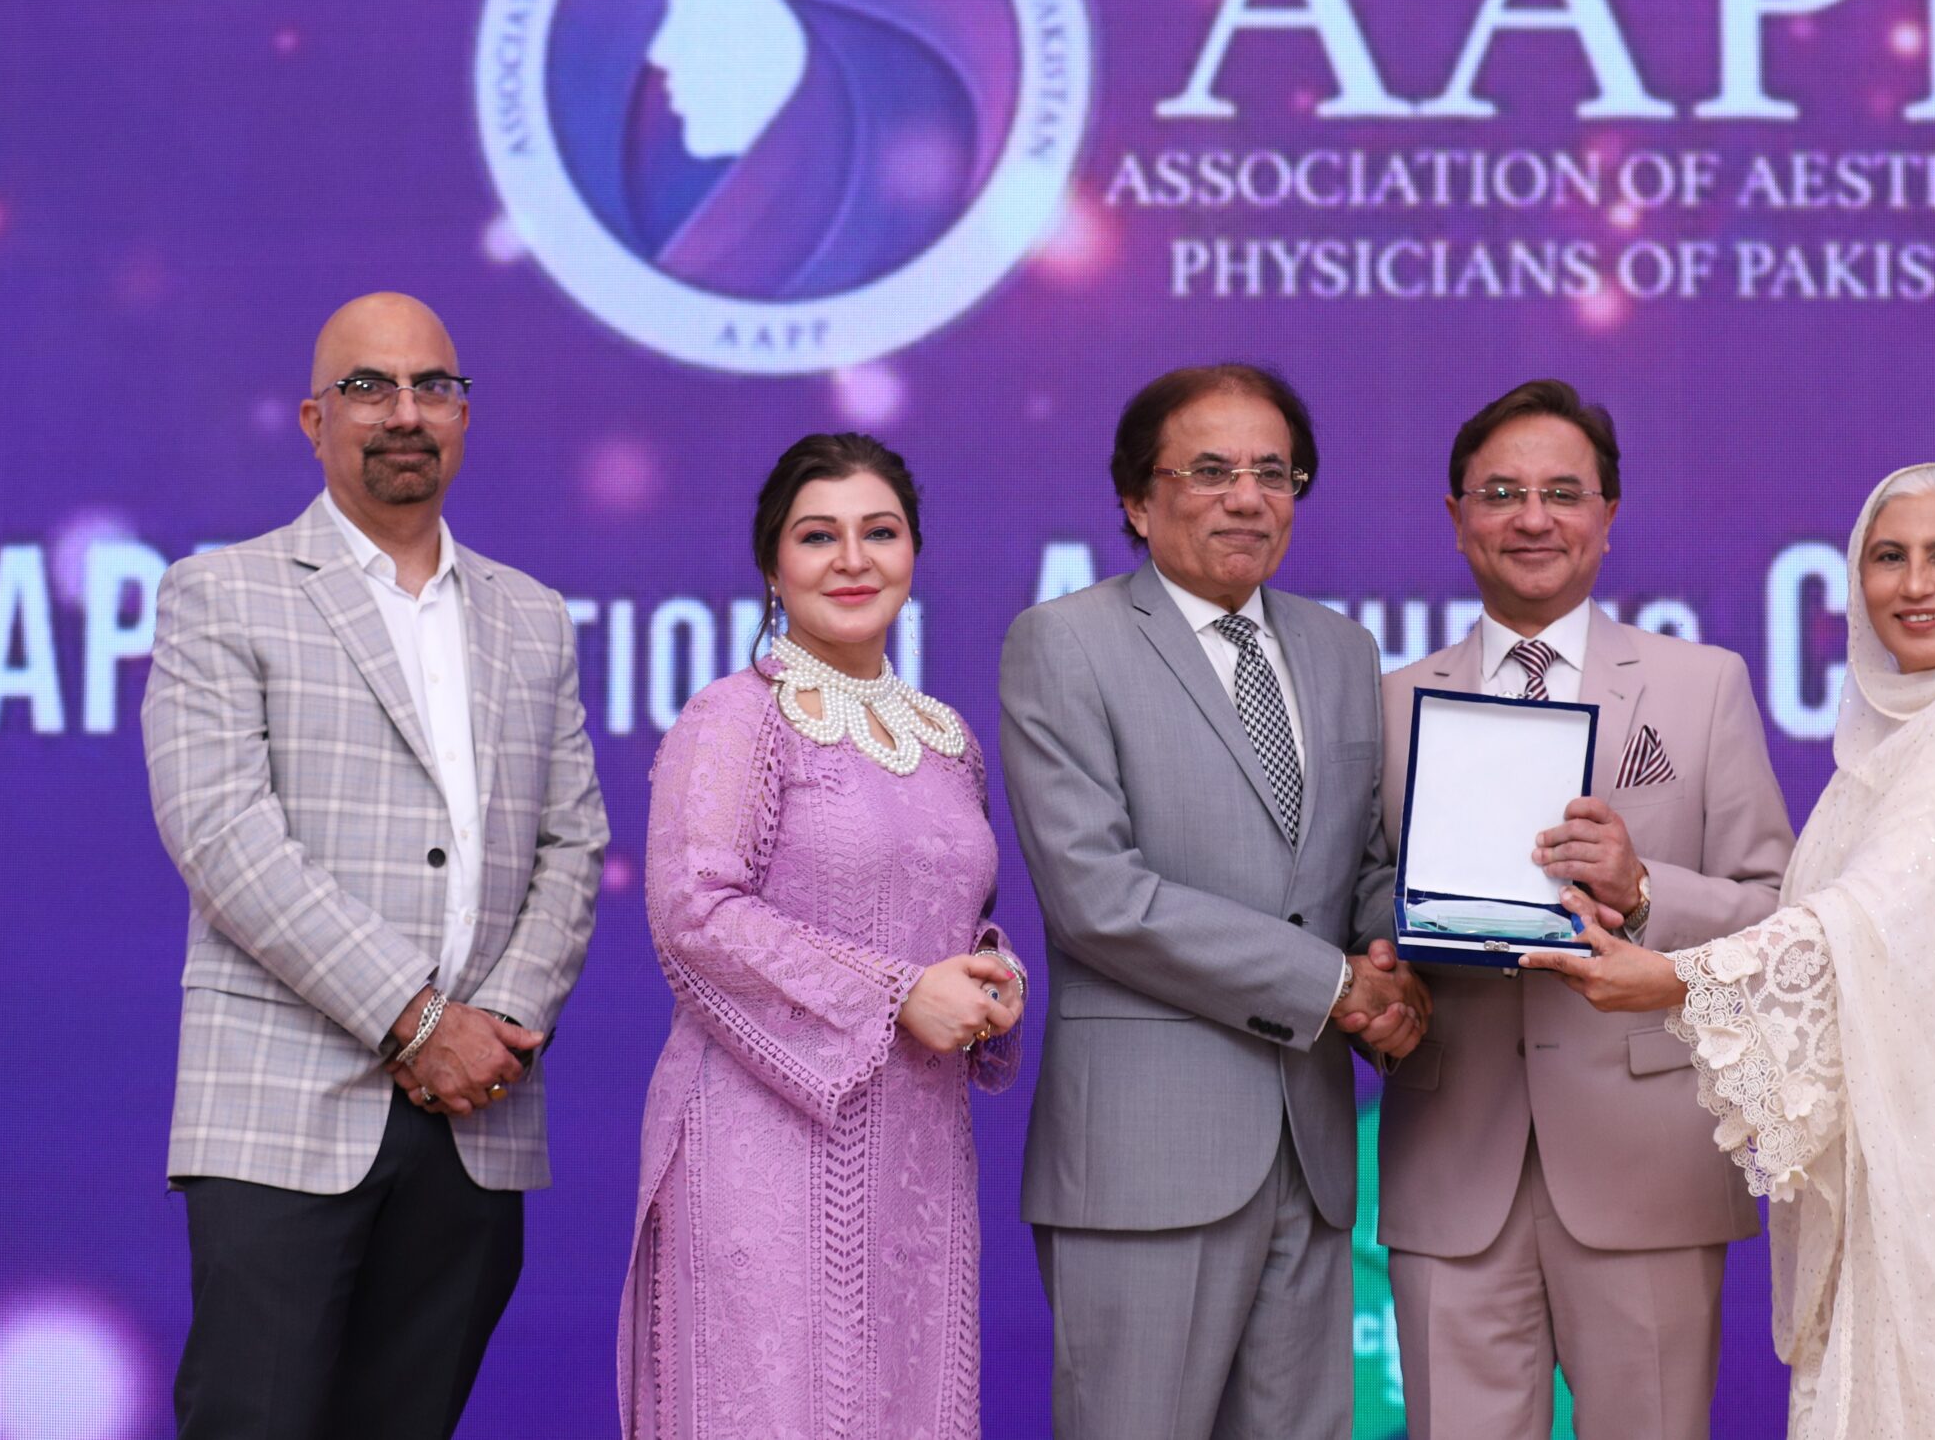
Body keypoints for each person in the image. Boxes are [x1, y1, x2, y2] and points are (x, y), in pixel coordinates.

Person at [1526, 464, 1935, 1439]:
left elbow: (1862, 924)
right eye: (1887, 557)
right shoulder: (1903, 740)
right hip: (1909, 1171)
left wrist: (1674, 981)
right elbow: (1862, 934)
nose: (1915, 584)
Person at [142, 291, 608, 1440]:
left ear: (463, 416)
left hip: (476, 1117)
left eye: (431, 387)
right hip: (284, 1115)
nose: (404, 413)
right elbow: (224, 838)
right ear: (313, 420)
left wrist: (494, 1031)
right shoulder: (223, 593)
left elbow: (573, 843)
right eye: (368, 387)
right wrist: (418, 1022)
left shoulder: (533, 617)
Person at [999, 363, 1430, 1440]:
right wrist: (1332, 985)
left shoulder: (1341, 650)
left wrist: (1398, 959)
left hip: (1311, 1154)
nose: (1247, 498)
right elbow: (1098, 896)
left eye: (1273, 473)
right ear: (1137, 501)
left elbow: (1358, 865)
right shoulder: (1065, 642)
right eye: (1209, 471)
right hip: (1145, 1160)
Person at [1373, 379, 1794, 1440]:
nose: (1532, 517)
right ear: (1456, 517)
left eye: (1563, 493)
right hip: (1451, 1162)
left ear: (1608, 516)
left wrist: (1645, 891)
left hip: (1646, 1161)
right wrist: (1378, 950)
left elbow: (1778, 915)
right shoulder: (1385, 702)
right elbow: (1357, 892)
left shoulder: (1703, 685)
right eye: (1501, 492)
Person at [616, 433, 1025, 1439]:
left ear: (913, 553)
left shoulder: (945, 738)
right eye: (817, 536)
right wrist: (899, 993)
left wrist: (991, 969)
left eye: (878, 532)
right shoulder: (736, 717)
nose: (852, 560)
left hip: (917, 1152)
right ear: (772, 564)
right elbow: (694, 914)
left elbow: (947, 908)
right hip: (761, 1146)